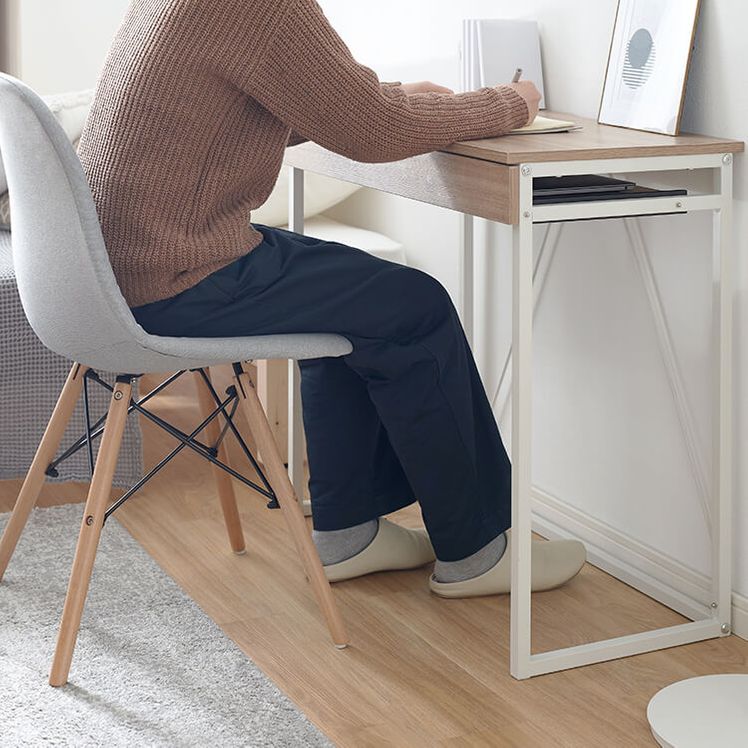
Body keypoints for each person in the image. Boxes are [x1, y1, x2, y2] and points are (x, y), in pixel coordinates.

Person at [78, 0, 585, 598]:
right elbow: (373, 131)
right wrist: (511, 104)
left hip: (113, 277)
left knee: (353, 301)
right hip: (178, 277)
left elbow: (267, 106)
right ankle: (479, 548)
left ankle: (351, 532)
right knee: (413, 306)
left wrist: (401, 96)